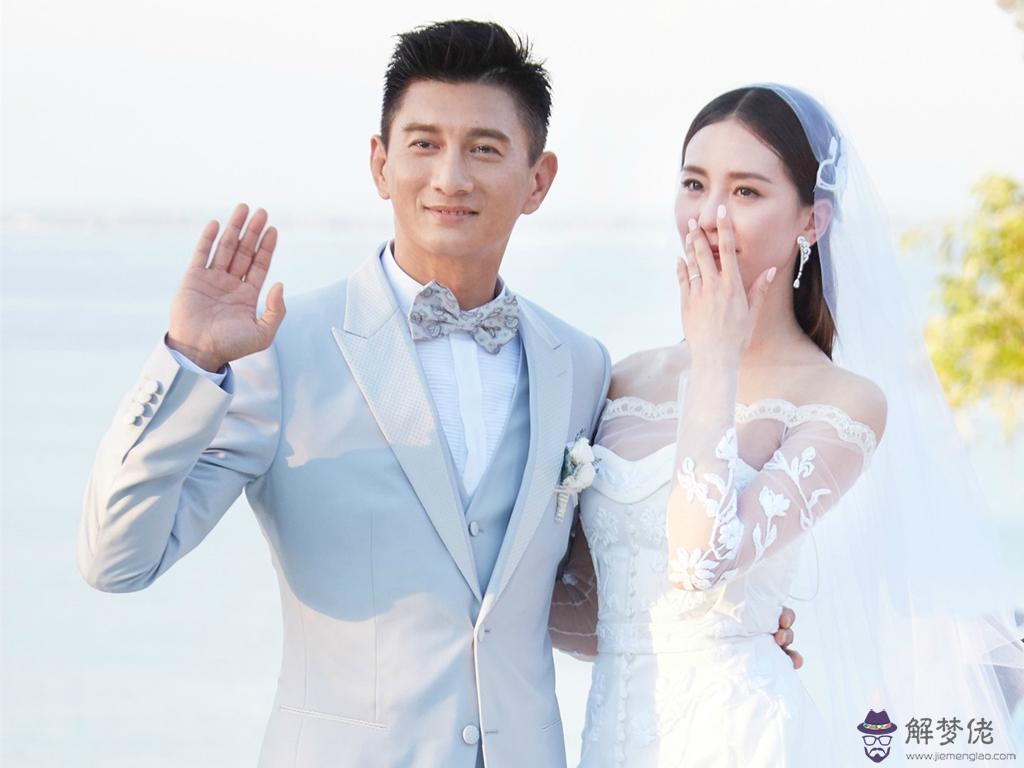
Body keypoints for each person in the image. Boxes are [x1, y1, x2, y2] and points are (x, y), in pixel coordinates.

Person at [75, 21, 803, 768]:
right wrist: (190, 360)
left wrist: (738, 626)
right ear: (380, 163)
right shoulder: (282, 351)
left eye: (484, 149)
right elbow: (116, 560)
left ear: (538, 180)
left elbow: (592, 594)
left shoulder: (580, 366)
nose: (451, 178)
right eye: (424, 144)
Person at [553, 84, 1024, 767]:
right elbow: (586, 611)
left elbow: (698, 563)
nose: (709, 216)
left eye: (746, 191)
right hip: (613, 738)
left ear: (812, 220)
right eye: (694, 184)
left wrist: (715, 360)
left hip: (743, 740)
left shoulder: (841, 401)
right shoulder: (623, 378)